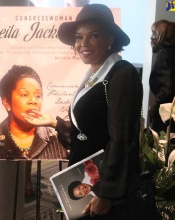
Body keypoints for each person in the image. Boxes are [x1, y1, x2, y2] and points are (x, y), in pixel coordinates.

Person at [21, 4, 156, 219]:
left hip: (106, 185)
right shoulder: (94, 76)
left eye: (93, 35)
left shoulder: (122, 74)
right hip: (87, 177)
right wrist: (53, 123)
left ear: (110, 39)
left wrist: (106, 191)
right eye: (78, 37)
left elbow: (123, 139)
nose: (83, 43)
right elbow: (89, 132)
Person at [0, 65, 67, 199]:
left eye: (38, 95)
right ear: (6, 102)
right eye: (24, 94)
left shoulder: (57, 138)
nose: (33, 101)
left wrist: (54, 123)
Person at [149, 19, 175, 133]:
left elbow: (167, 90)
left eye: (154, 33)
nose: (151, 37)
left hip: (166, 118)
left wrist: (153, 109)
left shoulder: (165, 54)